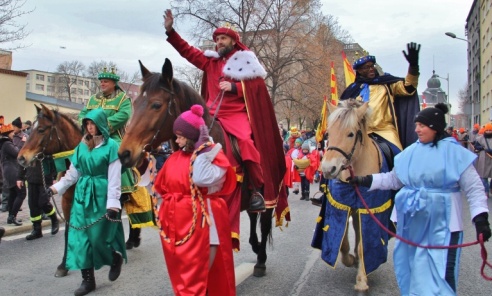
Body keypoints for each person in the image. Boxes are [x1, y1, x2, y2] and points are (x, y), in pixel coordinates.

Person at [349, 103, 491, 295]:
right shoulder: (411, 152)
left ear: (435, 127)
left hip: (445, 226)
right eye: (417, 125)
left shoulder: (455, 153)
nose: (416, 129)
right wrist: (364, 180)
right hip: (411, 225)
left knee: (442, 274)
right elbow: (394, 179)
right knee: (413, 271)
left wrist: (480, 218)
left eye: (422, 125)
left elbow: (474, 189)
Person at [163, 9, 285, 213]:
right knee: (183, 133)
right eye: (217, 38)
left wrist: (236, 88)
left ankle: (255, 189)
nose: (219, 42)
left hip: (235, 114)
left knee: (245, 142)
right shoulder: (210, 61)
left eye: (223, 38)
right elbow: (188, 51)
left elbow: (257, 87)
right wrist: (171, 32)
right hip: (210, 113)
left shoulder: (245, 60)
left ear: (232, 41)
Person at [154, 105, 236, 295]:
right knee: (183, 269)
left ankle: (256, 189)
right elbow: (161, 186)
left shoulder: (213, 157)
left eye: (180, 136)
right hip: (180, 219)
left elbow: (200, 178)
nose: (176, 140)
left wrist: (205, 149)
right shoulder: (175, 156)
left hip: (206, 219)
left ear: (192, 136)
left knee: (245, 144)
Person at [48, 109, 126, 296]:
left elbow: (114, 177)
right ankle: (88, 280)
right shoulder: (81, 146)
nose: (90, 128)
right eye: (87, 124)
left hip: (101, 194)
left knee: (99, 238)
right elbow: (73, 174)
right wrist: (55, 188)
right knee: (80, 239)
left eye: (93, 124)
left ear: (101, 124)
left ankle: (114, 258)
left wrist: (113, 204)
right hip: (82, 195)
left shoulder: (111, 146)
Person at [78, 67, 139, 249]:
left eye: (105, 81)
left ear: (114, 83)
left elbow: (123, 116)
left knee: (118, 156)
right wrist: (88, 127)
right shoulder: (92, 99)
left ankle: (124, 185)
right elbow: (83, 114)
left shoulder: (123, 99)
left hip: (114, 137)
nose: (102, 84)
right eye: (101, 81)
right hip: (91, 137)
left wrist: (101, 128)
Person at [340, 43, 421, 156]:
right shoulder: (351, 91)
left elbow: (409, 87)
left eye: (372, 66)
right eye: (366, 67)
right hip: (360, 133)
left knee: (399, 157)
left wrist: (413, 66)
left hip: (384, 131)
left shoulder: (386, 84)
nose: (371, 69)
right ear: (359, 71)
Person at [17, 151, 59, 240]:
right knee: (33, 205)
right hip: (31, 179)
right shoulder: (29, 146)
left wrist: (55, 177)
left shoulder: (46, 146)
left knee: (43, 202)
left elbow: (53, 161)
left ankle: (54, 219)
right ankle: (37, 230)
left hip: (45, 179)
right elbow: (22, 162)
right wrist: (20, 178)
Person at [0, 123, 25, 226]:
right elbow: (17, 153)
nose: (13, 134)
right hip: (12, 170)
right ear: (8, 134)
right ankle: (12, 216)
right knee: (21, 193)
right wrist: (23, 143)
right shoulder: (7, 144)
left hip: (8, 171)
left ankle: (11, 217)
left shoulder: (4, 144)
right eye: (12, 133)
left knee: (13, 194)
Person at [472, 122, 492, 196]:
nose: (489, 131)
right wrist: (482, 148)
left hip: (491, 158)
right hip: (483, 158)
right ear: (485, 130)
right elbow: (476, 147)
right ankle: (486, 191)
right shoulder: (480, 139)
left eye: (490, 130)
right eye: (487, 130)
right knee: (483, 177)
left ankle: (491, 188)